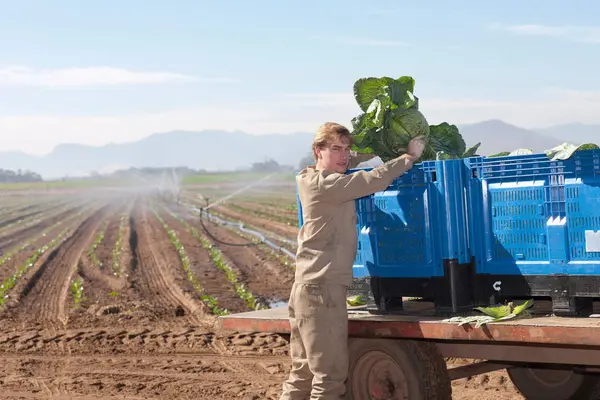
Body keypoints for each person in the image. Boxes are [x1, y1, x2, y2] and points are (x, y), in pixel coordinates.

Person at [279, 122, 425, 399]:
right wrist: (408, 158)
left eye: (346, 149)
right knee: (330, 379)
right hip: (324, 291)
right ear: (317, 151)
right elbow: (372, 180)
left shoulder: (306, 176)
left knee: (302, 375)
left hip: (305, 288)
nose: (343, 156)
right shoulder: (330, 184)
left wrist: (364, 152)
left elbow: (349, 163)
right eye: (335, 149)